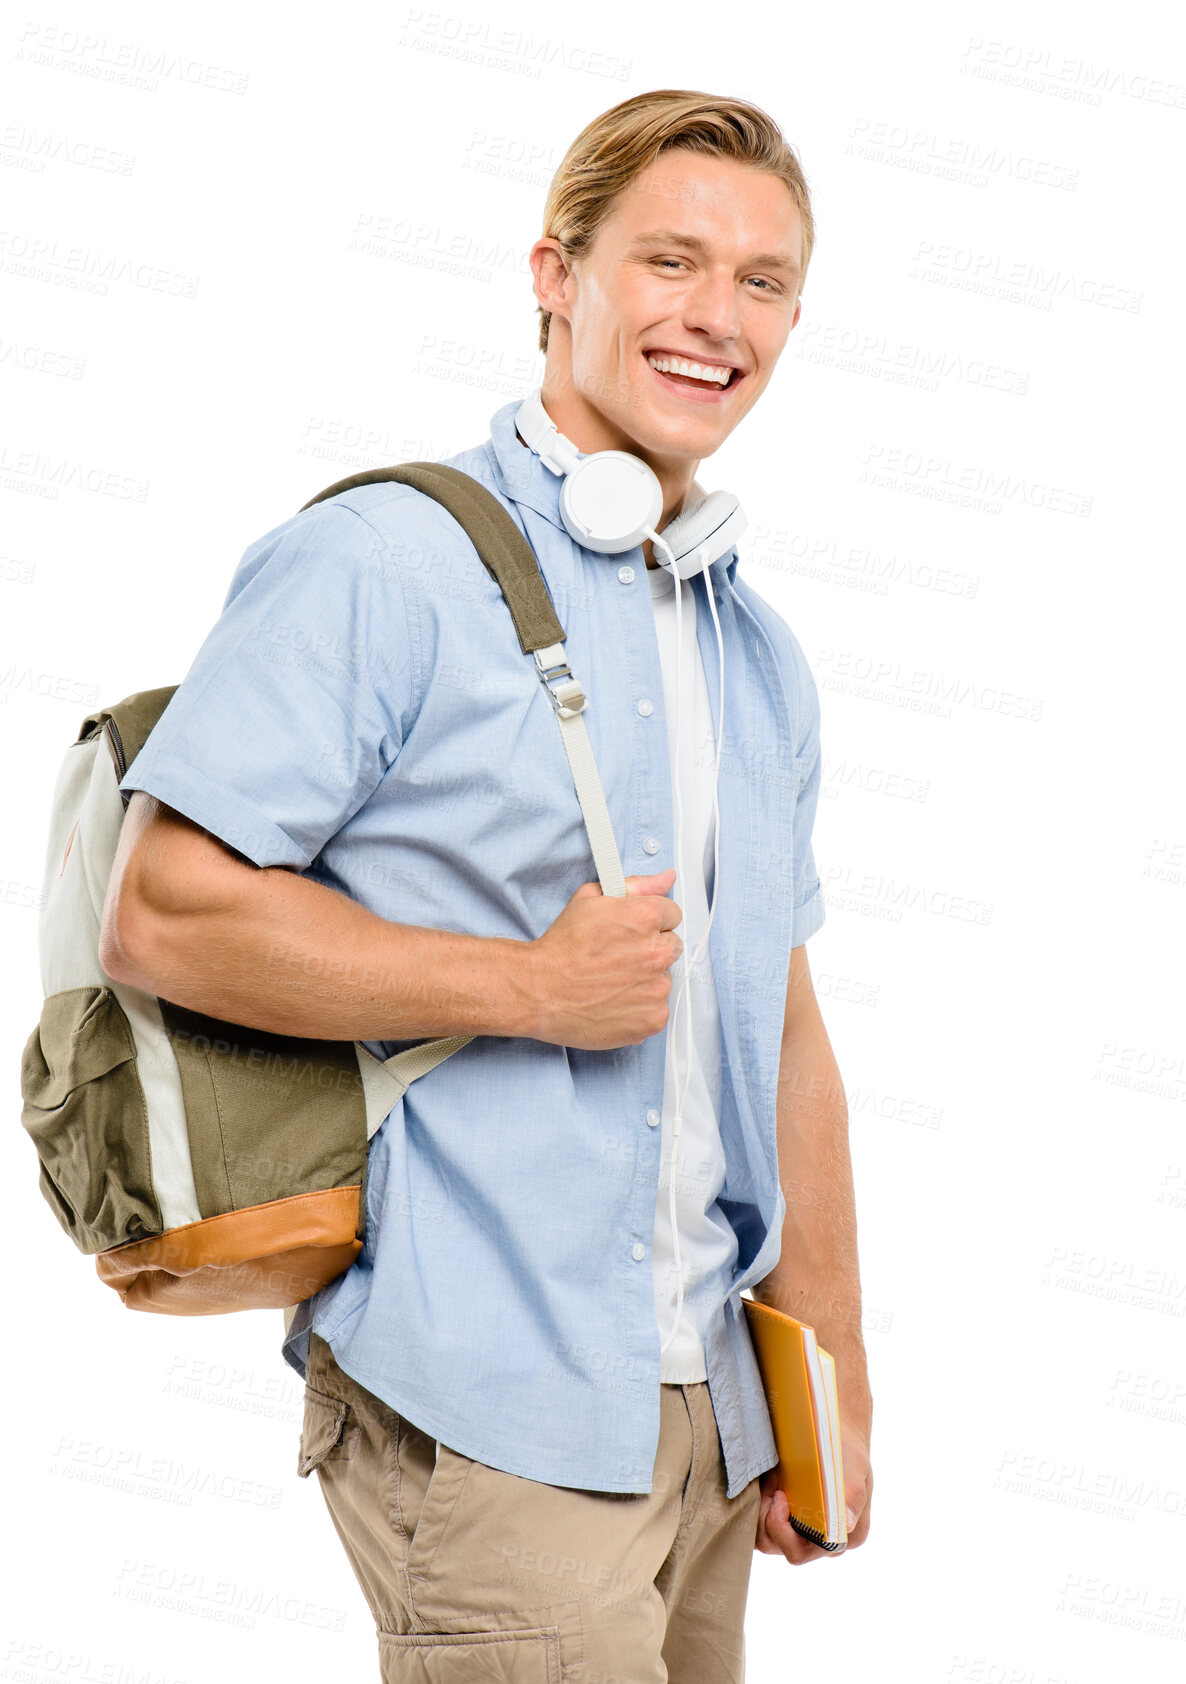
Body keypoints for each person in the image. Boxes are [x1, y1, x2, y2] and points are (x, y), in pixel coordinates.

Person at [101, 88, 872, 1683]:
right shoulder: (384, 565)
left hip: (710, 1421)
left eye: (763, 281)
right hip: (494, 1406)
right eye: (670, 261)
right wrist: (527, 986)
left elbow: (781, 1032)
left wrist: (829, 1381)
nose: (715, 318)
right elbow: (164, 908)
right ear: (554, 274)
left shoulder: (754, 648)